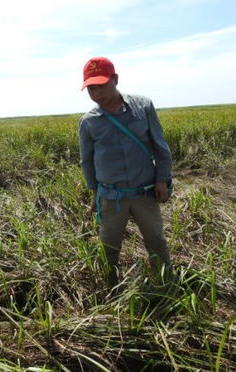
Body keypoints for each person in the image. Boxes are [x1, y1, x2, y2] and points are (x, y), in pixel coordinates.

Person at [78, 56, 173, 287]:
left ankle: (166, 283)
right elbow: (87, 161)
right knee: (109, 245)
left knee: (156, 241)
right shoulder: (89, 122)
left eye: (101, 85)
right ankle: (111, 287)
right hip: (111, 196)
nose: (97, 92)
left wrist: (162, 179)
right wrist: (94, 192)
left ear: (116, 79)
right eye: (91, 88)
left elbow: (161, 147)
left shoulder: (143, 107)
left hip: (144, 191)